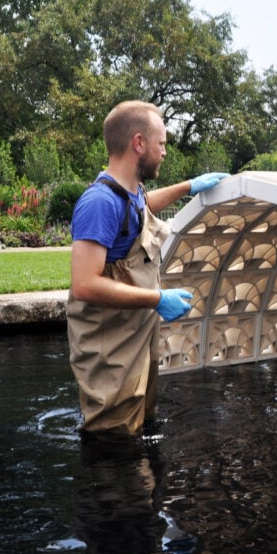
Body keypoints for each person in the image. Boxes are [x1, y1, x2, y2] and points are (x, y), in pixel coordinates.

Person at [67, 100, 228, 434]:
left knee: (138, 422)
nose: (165, 151)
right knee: (112, 433)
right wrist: (156, 299)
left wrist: (188, 187)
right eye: (162, 143)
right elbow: (83, 284)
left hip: (133, 331)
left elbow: (142, 208)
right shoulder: (99, 203)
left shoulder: (130, 193)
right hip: (108, 340)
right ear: (138, 143)